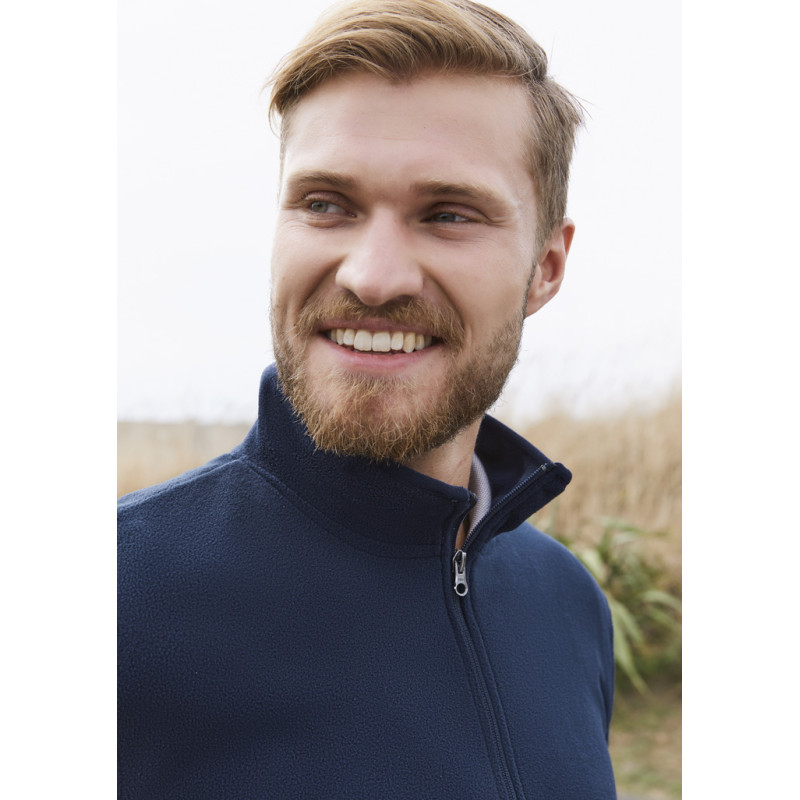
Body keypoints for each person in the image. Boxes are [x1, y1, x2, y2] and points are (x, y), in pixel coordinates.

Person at [117, 1, 617, 797]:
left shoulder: (567, 605)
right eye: (326, 205)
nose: (373, 276)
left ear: (546, 268)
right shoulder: (113, 600)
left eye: (448, 214)